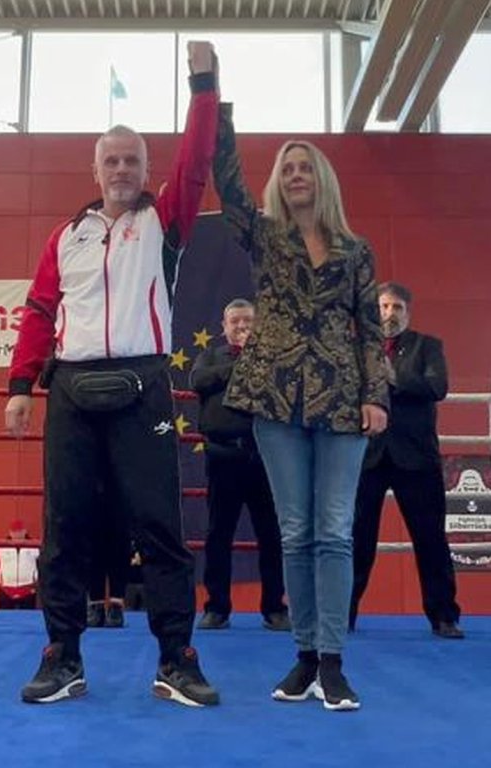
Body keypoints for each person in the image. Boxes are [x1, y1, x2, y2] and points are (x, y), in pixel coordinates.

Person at [4, 41, 220, 707]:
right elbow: (40, 309)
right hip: (70, 389)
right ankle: (61, 656)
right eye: (112, 160)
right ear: (95, 169)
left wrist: (204, 87)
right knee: (64, 529)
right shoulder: (65, 236)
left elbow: (196, 162)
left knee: (159, 527)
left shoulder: (165, 222)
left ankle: (176, 659)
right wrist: (20, 386)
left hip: (141, 386)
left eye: (132, 160)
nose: (122, 169)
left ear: (147, 170)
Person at [213, 102, 388, 711]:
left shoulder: (356, 250)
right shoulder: (265, 236)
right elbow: (228, 186)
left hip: (342, 400)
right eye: (286, 169)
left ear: (323, 179)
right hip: (275, 396)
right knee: (295, 533)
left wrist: (375, 395)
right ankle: (305, 656)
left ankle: (333, 662)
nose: (294, 176)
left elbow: (370, 329)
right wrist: (213, 100)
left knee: (334, 531)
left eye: (304, 167)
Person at [350, 282, 463, 639]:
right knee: (355, 539)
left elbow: (437, 387)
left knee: (430, 539)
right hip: (367, 455)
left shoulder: (427, 346)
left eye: (396, 307)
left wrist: (393, 377)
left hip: (416, 456)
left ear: (407, 313)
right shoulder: (357, 348)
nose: (389, 314)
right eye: (384, 307)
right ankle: (342, 615)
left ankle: (443, 616)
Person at [190, 298, 289, 631]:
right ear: (224, 326)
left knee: (271, 534)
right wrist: (240, 363)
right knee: (219, 533)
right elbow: (198, 381)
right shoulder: (210, 357)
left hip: (265, 457)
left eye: (248, 321)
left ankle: (275, 607)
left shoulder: (273, 357)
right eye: (236, 322)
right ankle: (217, 607)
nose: (242, 327)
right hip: (223, 456)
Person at [86, 473, 132, 629]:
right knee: (92, 541)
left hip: (121, 480)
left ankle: (116, 604)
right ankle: (95, 604)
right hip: (91, 480)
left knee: (120, 541)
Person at [0, 520, 39, 610]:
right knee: (5, 617)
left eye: (20, 532)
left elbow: (41, 565)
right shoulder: (1, 547)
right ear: (10, 533)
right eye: (14, 532)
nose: (17, 535)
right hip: (6, 590)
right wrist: (1, 580)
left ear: (25, 531)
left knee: (27, 616)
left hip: (28, 590)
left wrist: (36, 581)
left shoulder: (35, 546)